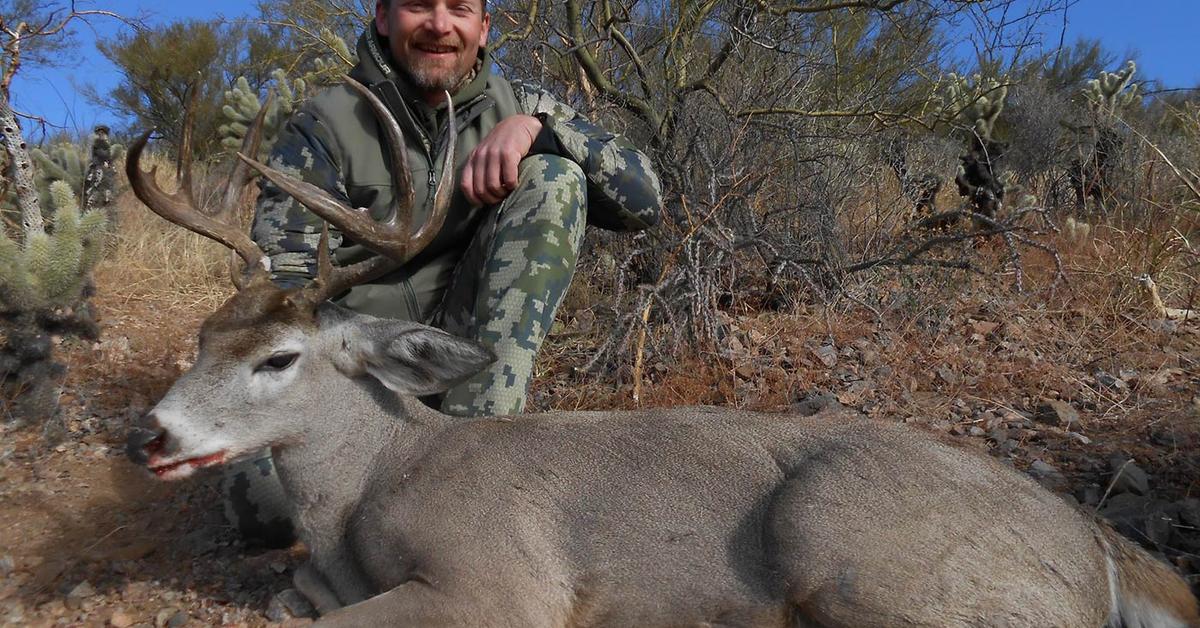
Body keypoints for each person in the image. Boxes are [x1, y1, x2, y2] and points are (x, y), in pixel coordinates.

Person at [222, 0, 663, 546]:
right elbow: (284, 291)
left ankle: (480, 455)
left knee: (555, 179)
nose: (439, 24)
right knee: (262, 511)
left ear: (483, 27)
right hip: (355, 370)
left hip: (460, 364)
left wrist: (538, 130)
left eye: (459, 8)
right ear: (384, 18)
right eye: (417, 6)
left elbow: (644, 200)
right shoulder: (324, 125)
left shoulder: (518, 102)